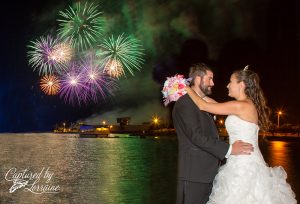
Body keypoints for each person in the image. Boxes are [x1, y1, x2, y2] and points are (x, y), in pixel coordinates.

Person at [185, 65, 297, 203]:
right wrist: (190, 93)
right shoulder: (242, 105)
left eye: (231, 82)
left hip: (244, 166)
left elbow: (203, 106)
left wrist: (186, 88)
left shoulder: (242, 106)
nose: (227, 85)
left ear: (241, 85)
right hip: (241, 161)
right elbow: (211, 103)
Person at [172, 63, 254, 204]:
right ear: (198, 79)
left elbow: (204, 104)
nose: (213, 83)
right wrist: (229, 149)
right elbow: (196, 136)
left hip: (208, 174)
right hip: (194, 175)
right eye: (210, 79)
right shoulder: (185, 103)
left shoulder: (201, 103)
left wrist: (186, 88)